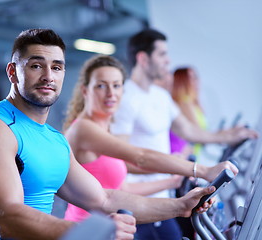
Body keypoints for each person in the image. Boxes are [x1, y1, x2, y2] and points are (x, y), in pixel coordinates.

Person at [0, 28, 220, 240]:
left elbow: (104, 198)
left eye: (57, 67)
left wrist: (181, 206)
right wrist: (93, 232)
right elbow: (7, 218)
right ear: (13, 72)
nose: (48, 76)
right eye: (36, 66)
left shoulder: (53, 139)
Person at [110, 28, 258, 240]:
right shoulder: (126, 98)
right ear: (143, 59)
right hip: (141, 204)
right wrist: (181, 171)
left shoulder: (160, 96)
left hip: (164, 199)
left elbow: (189, 131)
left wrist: (231, 135)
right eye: (162, 54)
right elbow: (120, 160)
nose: (168, 61)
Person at [62, 55, 236, 225]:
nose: (111, 93)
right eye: (101, 86)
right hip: (86, 229)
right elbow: (140, 156)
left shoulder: (104, 129)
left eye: (116, 85)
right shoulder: (83, 129)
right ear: (85, 91)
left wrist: (173, 183)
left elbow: (122, 189)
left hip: (112, 228)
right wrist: (203, 170)